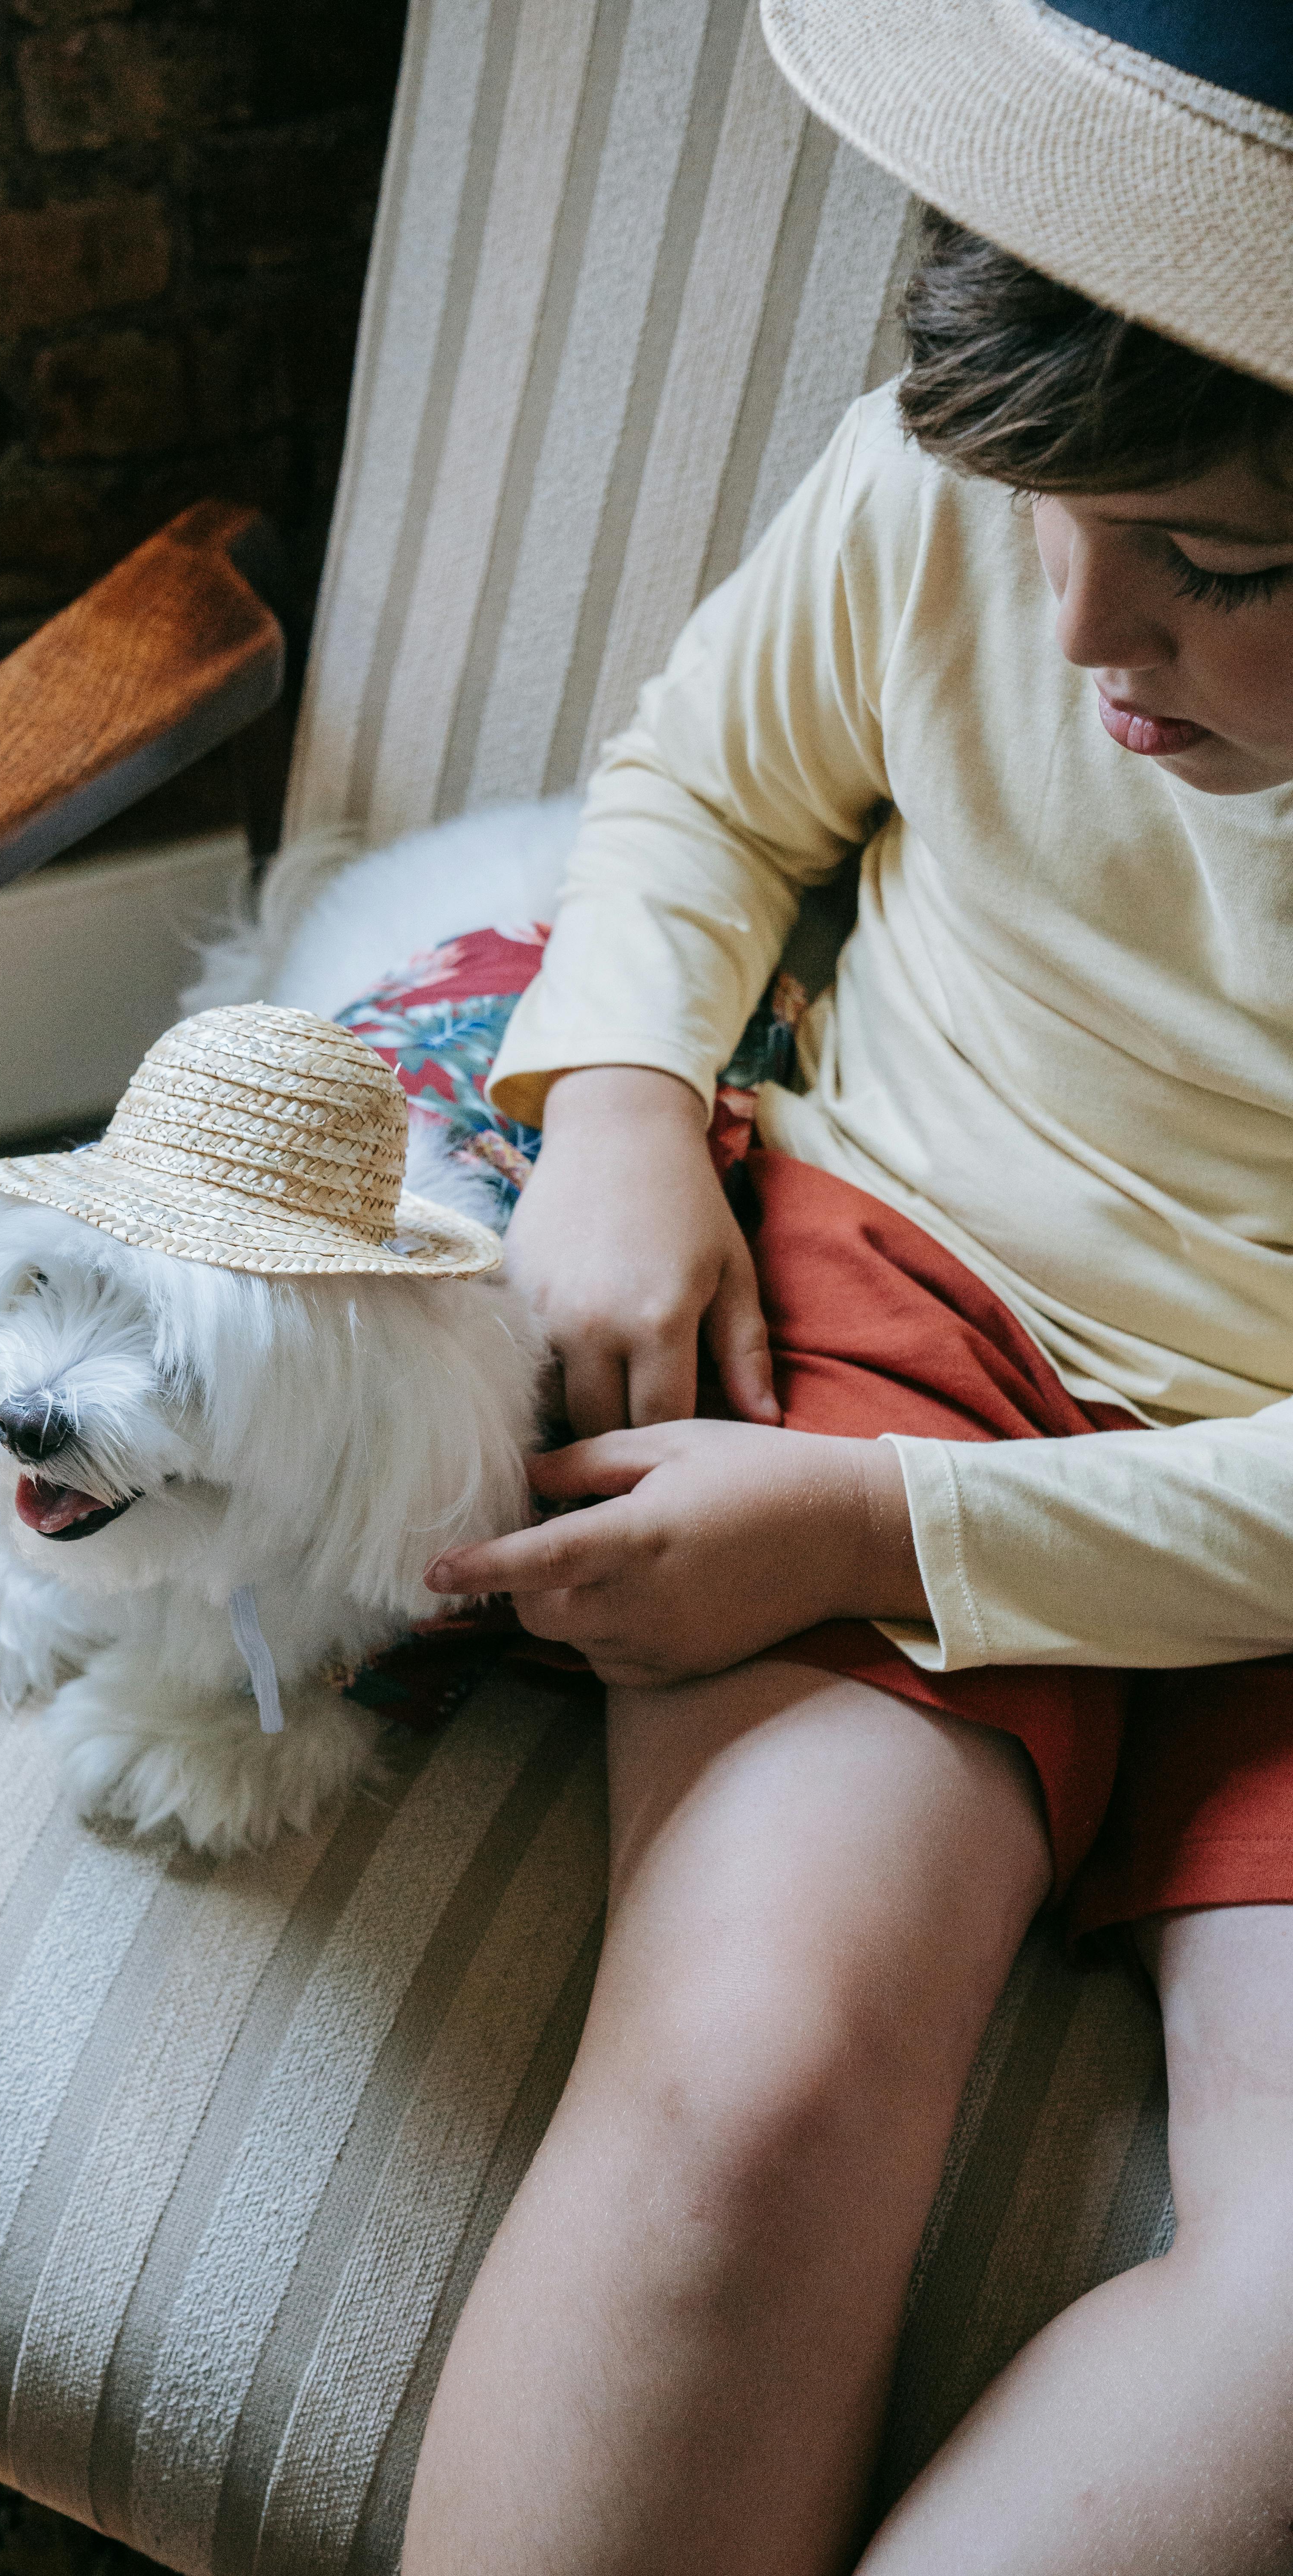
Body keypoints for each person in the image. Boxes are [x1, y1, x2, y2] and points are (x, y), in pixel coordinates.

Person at [399, 4, 1293, 2570]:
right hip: (924, 1295)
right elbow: (715, 774)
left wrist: (873, 1543)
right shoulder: (1002, 469)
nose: (1093, 638)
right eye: (1048, 531)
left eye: (1221, 571)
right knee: (752, 2078)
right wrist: (626, 1112)